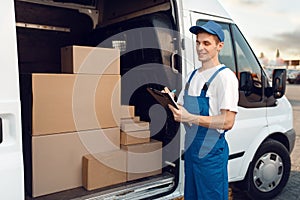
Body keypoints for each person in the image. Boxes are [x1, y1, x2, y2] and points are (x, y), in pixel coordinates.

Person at [167, 20, 239, 199]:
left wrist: (190, 117)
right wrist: (169, 99)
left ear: (219, 46)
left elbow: (228, 121)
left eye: (206, 43)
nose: (200, 47)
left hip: (211, 153)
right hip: (192, 151)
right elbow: (183, 108)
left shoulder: (225, 77)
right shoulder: (193, 75)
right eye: (198, 42)